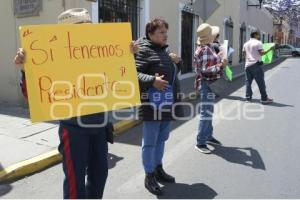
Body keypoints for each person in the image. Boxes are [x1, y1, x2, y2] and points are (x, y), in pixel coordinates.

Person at [14, 8, 139, 199]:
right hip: (73, 130)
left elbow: (120, 77)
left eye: (87, 28)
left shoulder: (99, 53)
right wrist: (26, 69)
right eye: (80, 29)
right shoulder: (52, 59)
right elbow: (31, 95)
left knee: (100, 175)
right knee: (75, 183)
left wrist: (128, 55)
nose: (85, 34)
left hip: (99, 126)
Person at [135, 18, 184, 195]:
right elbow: (133, 74)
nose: (165, 36)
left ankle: (158, 169)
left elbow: (175, 73)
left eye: (166, 32)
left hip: (167, 102)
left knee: (162, 138)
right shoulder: (144, 50)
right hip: (152, 104)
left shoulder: (165, 50)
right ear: (150, 34)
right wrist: (152, 80)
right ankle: (149, 176)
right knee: (150, 142)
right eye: (161, 33)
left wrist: (178, 62)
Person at [193, 23, 228, 154]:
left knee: (208, 112)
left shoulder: (204, 48)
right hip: (207, 83)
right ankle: (201, 142)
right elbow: (206, 70)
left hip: (206, 83)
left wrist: (219, 59)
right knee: (206, 113)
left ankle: (208, 136)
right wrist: (221, 65)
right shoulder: (206, 50)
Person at [243, 29, 274, 104]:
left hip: (247, 65)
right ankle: (264, 98)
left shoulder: (246, 43)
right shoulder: (258, 43)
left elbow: (244, 53)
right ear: (255, 34)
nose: (259, 36)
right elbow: (262, 53)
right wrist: (270, 49)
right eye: (258, 34)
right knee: (260, 82)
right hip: (255, 64)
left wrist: (249, 58)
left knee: (248, 82)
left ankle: (248, 98)